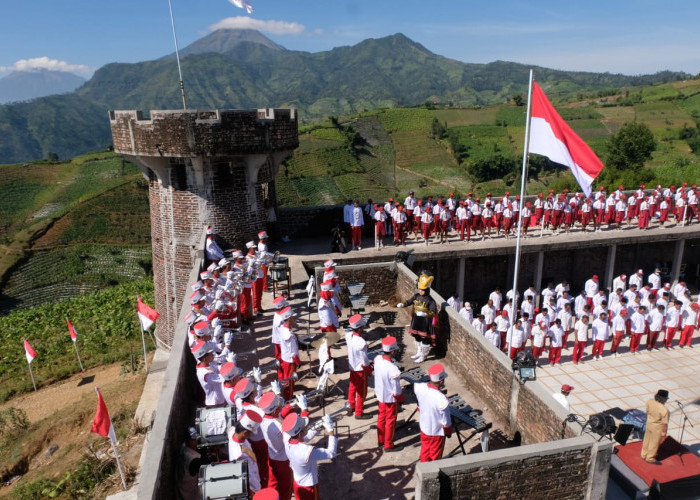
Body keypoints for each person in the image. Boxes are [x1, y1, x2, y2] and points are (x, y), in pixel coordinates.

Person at [282, 412, 337, 500]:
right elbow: (331, 452)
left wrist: (317, 428)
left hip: (297, 483)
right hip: (309, 486)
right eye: (305, 428)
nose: (307, 427)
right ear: (300, 434)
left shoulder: (287, 438)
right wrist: (330, 431)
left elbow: (304, 438)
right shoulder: (306, 451)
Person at [414, 364, 453, 463]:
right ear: (441, 381)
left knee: (425, 451)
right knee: (435, 456)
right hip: (436, 433)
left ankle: (424, 468)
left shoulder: (420, 388)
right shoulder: (441, 399)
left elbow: (419, 404)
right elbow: (446, 422)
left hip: (424, 428)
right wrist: (448, 432)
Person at [397, 271, 439, 363]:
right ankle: (419, 352)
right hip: (417, 320)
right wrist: (402, 304)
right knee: (417, 337)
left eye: (422, 290)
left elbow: (433, 312)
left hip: (426, 322)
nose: (420, 291)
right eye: (420, 289)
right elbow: (409, 301)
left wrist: (425, 314)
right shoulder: (416, 296)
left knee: (425, 339)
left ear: (427, 290)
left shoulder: (431, 301)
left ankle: (423, 356)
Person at [373, 336, 404, 451]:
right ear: (393, 351)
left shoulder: (377, 359)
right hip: (390, 398)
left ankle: (380, 440)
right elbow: (396, 390)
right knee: (390, 421)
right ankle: (388, 444)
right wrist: (400, 399)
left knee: (381, 417)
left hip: (381, 395)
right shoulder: (393, 369)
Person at [228, 410, 264, 495]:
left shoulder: (233, 432)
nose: (251, 435)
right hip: (251, 486)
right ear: (244, 432)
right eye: (250, 433)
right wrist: (257, 489)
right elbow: (250, 475)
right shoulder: (240, 454)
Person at [346, 314, 372, 419]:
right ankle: (359, 412)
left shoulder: (348, 336)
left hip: (352, 367)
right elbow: (365, 360)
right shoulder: (361, 342)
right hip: (360, 369)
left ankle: (351, 405)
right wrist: (369, 370)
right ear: (360, 328)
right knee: (361, 392)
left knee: (352, 387)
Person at [640, 390, 670, 464]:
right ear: (664, 399)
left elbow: (647, 411)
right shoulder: (664, 409)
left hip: (649, 423)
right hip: (657, 427)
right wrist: (664, 431)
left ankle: (644, 454)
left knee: (646, 439)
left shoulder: (649, 401)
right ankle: (650, 458)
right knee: (654, 443)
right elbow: (665, 423)